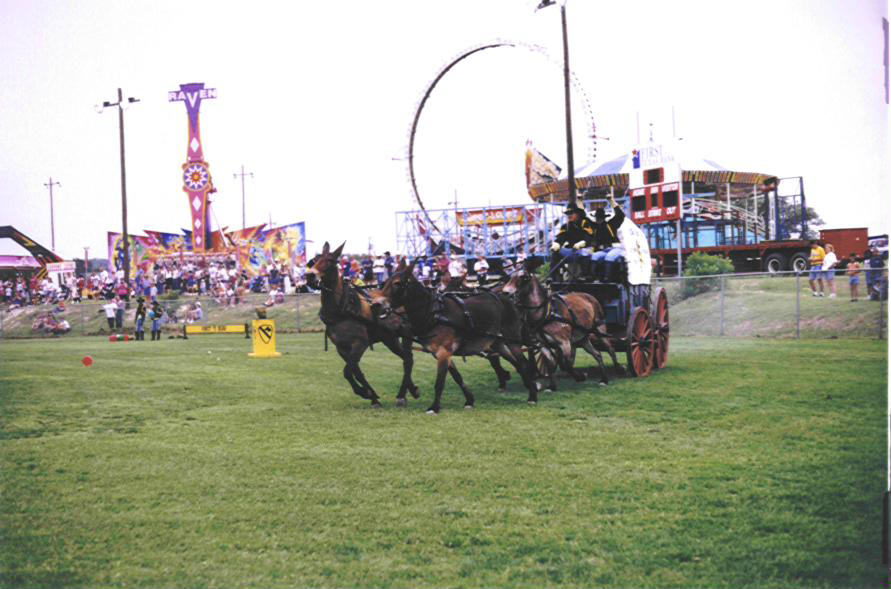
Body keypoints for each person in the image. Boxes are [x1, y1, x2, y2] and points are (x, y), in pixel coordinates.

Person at [550, 201, 597, 279]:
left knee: (584, 253)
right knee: (556, 253)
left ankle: (585, 276)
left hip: (586, 249)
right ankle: (554, 277)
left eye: (572, 213)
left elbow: (589, 236)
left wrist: (582, 243)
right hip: (572, 251)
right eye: (568, 214)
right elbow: (561, 237)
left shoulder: (585, 223)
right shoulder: (566, 226)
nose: (569, 215)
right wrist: (557, 243)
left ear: (578, 214)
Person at [589, 195, 627, 282]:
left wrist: (611, 201)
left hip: (615, 248)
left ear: (604, 218)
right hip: (604, 250)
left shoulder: (611, 224)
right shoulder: (595, 227)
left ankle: (608, 279)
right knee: (594, 256)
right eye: (597, 218)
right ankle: (593, 278)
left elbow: (621, 215)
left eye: (600, 218)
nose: (599, 220)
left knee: (609, 257)